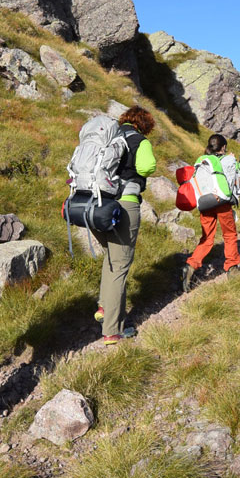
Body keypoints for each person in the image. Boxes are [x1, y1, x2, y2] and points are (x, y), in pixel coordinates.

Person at [92, 106, 156, 346]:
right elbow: (146, 168)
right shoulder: (140, 140)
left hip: (96, 205)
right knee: (120, 266)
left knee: (111, 259)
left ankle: (103, 307)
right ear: (144, 123)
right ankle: (112, 330)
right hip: (124, 204)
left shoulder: (109, 136)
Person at [182, 134, 240, 290]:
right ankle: (232, 267)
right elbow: (233, 183)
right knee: (229, 234)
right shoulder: (228, 159)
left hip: (205, 203)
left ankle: (191, 265)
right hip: (222, 202)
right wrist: (233, 162)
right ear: (223, 147)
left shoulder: (201, 160)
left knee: (207, 238)